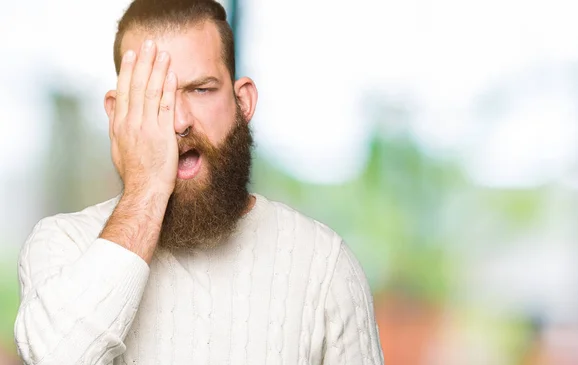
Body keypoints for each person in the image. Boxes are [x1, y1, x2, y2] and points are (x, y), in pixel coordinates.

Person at [13, 0, 384, 364]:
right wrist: (146, 189)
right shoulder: (61, 245)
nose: (179, 121)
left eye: (200, 89)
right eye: (152, 97)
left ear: (243, 102)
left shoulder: (323, 264)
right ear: (117, 116)